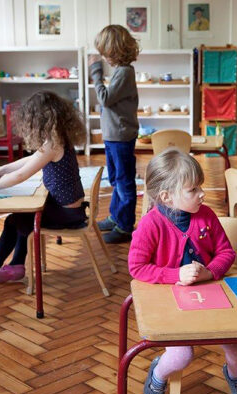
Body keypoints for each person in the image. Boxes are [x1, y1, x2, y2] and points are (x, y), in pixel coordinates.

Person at [129, 148, 237, 394]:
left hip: (213, 295)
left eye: (201, 187)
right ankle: (157, 376)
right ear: (166, 196)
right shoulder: (150, 224)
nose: (202, 194)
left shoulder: (206, 215)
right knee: (181, 355)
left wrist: (210, 273)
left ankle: (235, 375)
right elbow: (137, 267)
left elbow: (226, 253)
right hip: (171, 301)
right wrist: (175, 274)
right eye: (193, 190)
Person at [0, 91, 88, 283]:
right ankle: (15, 266)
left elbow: (22, 175)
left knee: (16, 220)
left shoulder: (52, 144)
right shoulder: (58, 139)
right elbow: (31, 159)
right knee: (21, 217)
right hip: (72, 209)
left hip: (69, 215)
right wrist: (3, 169)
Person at [89, 25, 139, 244]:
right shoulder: (121, 71)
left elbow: (105, 98)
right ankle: (116, 216)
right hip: (113, 136)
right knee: (116, 178)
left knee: (124, 180)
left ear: (115, 50)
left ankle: (126, 226)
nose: (103, 56)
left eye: (105, 52)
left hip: (121, 137)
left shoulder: (125, 72)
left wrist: (96, 73)